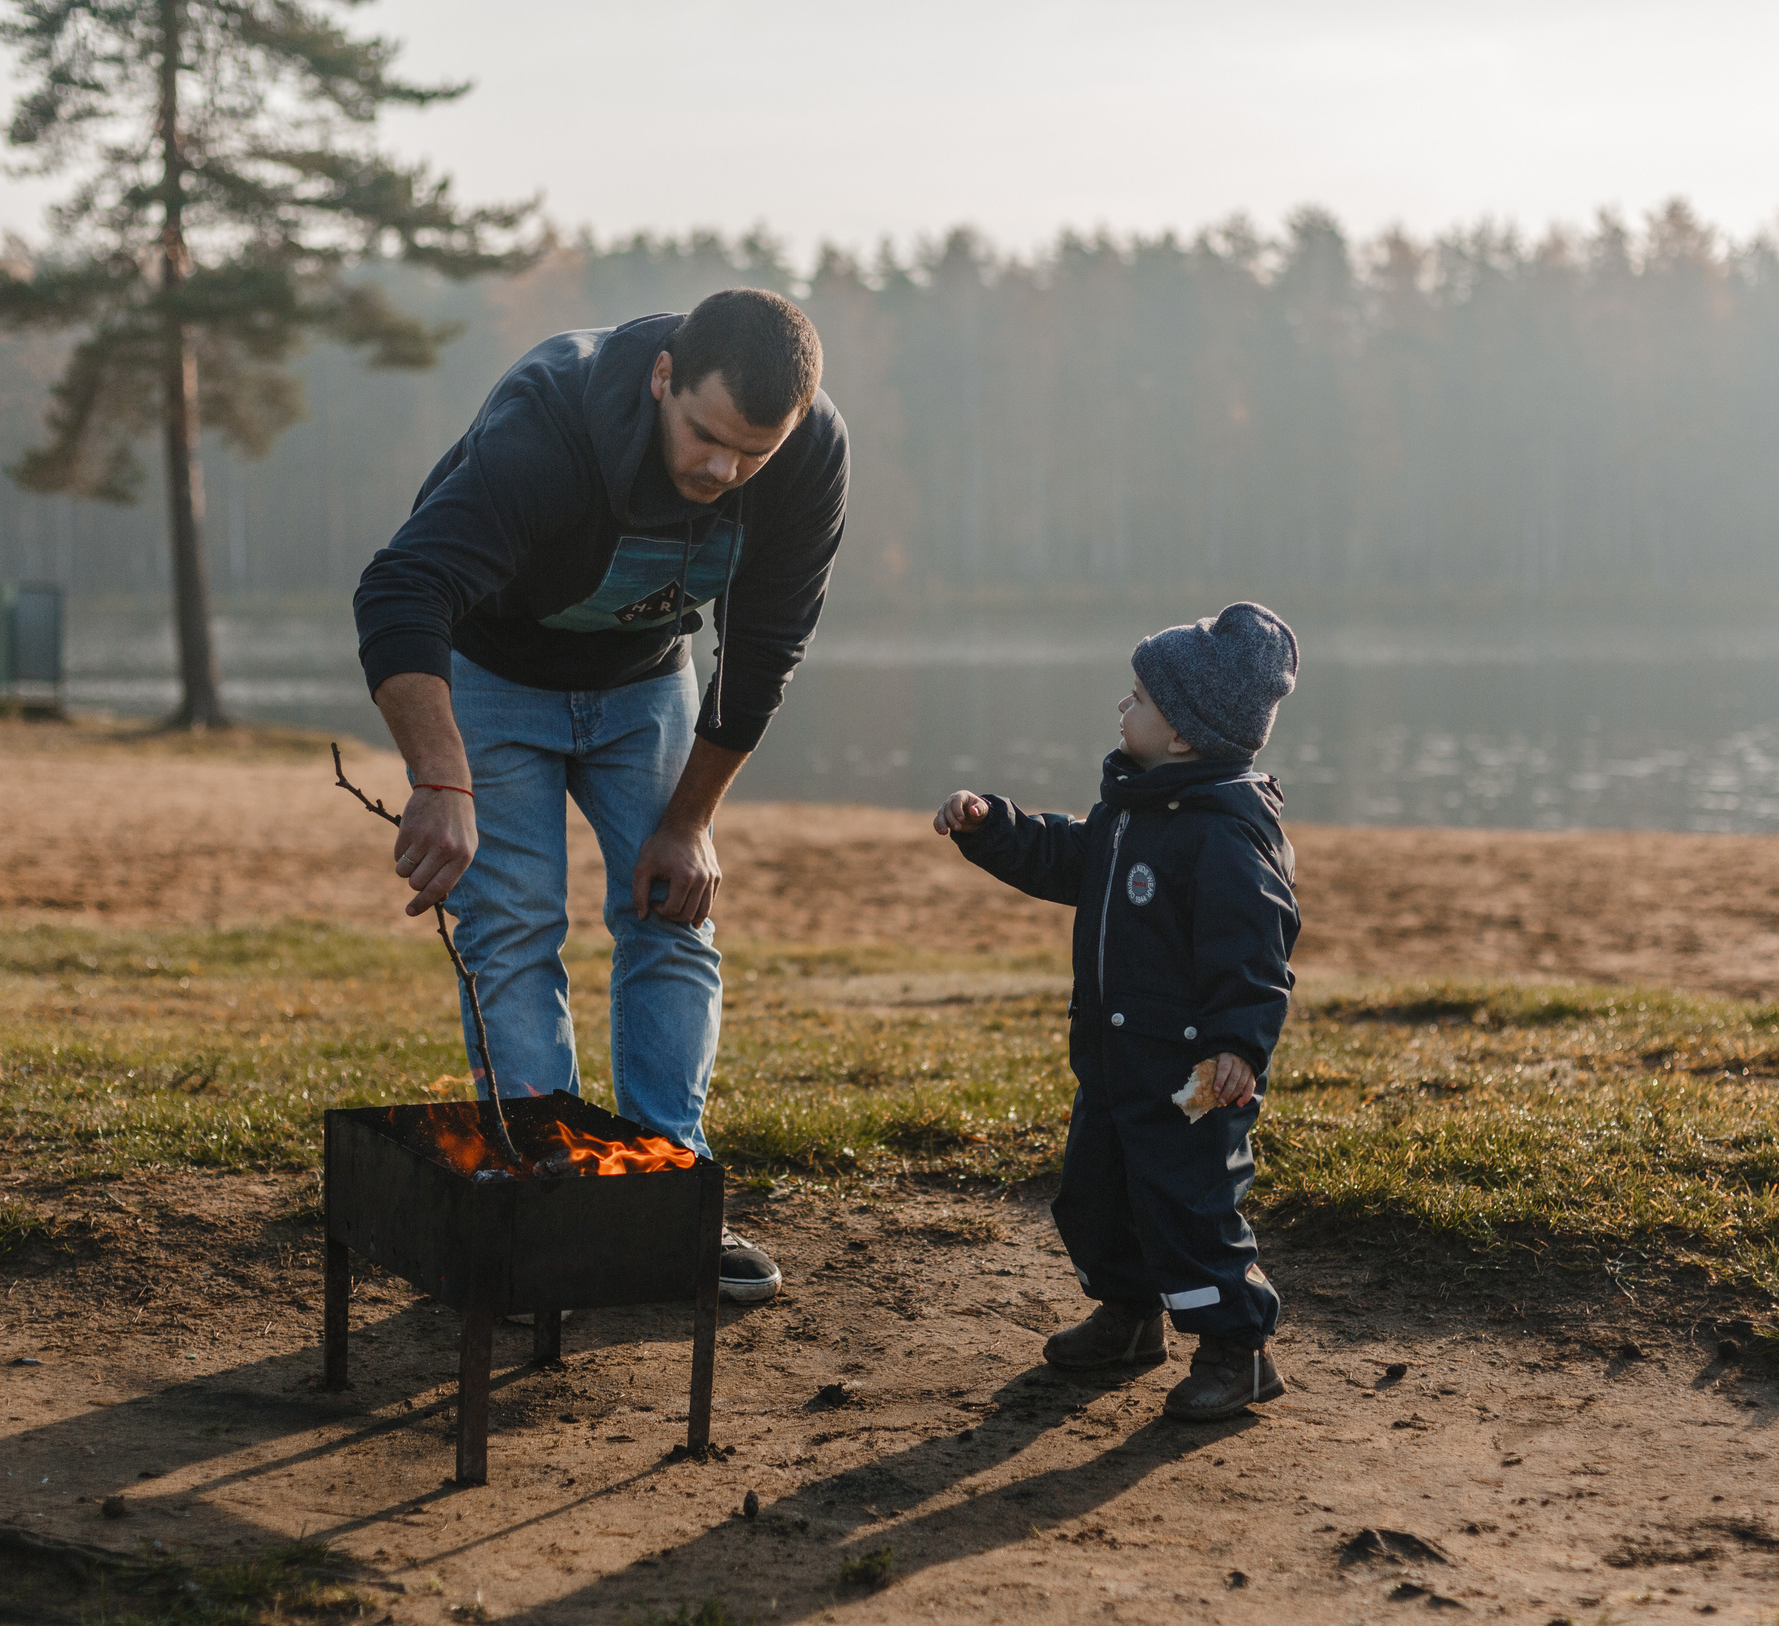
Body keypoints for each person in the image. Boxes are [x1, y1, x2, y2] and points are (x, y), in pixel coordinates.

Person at [354, 288, 849, 1302]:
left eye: (750, 454)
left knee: (674, 916)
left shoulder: (807, 452)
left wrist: (689, 822)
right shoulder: (551, 419)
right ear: (664, 378)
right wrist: (440, 779)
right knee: (515, 928)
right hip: (494, 677)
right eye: (705, 437)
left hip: (642, 681)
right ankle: (551, 1205)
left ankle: (667, 1204)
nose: (722, 471)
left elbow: (764, 648)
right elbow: (401, 589)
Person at [934, 603, 1301, 1418]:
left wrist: (1240, 1042)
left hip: (1191, 1076)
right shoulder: (1134, 810)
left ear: (1182, 734)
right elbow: (1067, 854)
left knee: (1189, 1212)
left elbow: (1256, 953)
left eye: (1136, 696)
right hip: (1113, 1063)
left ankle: (1237, 1351)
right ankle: (1130, 1316)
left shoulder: (1225, 837)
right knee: (1095, 1195)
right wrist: (993, 827)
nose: (1120, 707)